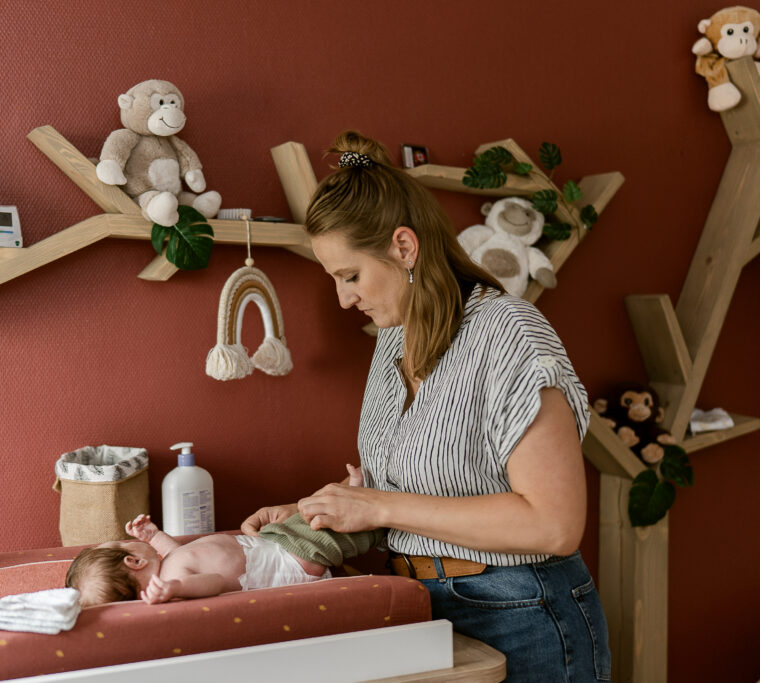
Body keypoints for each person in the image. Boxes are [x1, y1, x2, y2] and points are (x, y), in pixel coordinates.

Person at [241, 131, 610, 682]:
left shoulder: (509, 333)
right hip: (422, 607)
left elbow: (553, 525)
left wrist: (380, 507)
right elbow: (415, 483)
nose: (344, 299)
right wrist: (314, 513)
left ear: (404, 248)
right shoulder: (393, 340)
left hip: (525, 616)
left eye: (350, 276)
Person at [66, 465, 382, 607]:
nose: (131, 538)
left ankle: (354, 493)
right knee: (329, 526)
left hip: (273, 543)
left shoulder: (171, 562)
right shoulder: (177, 580)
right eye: (124, 543)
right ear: (133, 561)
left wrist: (154, 535)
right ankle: (379, 516)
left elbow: (176, 551)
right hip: (293, 558)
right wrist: (177, 588)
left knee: (310, 514)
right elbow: (214, 582)